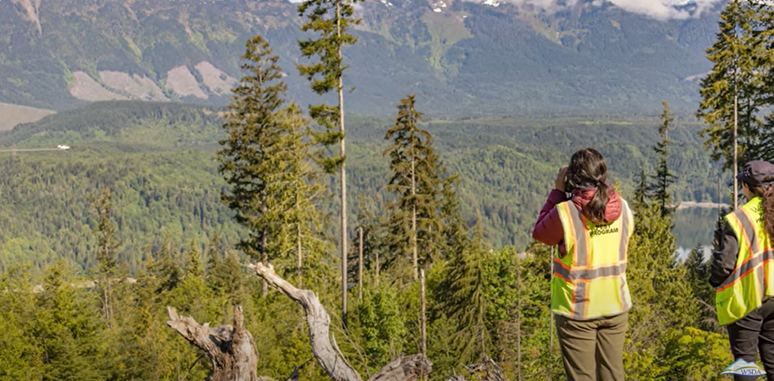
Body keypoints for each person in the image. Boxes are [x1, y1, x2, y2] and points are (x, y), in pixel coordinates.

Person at [532, 148, 634, 381]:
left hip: (578, 309)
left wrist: (558, 191)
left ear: (572, 178)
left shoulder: (565, 212)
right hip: (615, 305)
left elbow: (539, 233)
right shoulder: (624, 209)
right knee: (613, 375)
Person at [711, 160, 774, 381]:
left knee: (746, 364)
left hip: (748, 298)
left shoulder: (738, 219)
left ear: (746, 187)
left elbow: (724, 265)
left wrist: (714, 279)